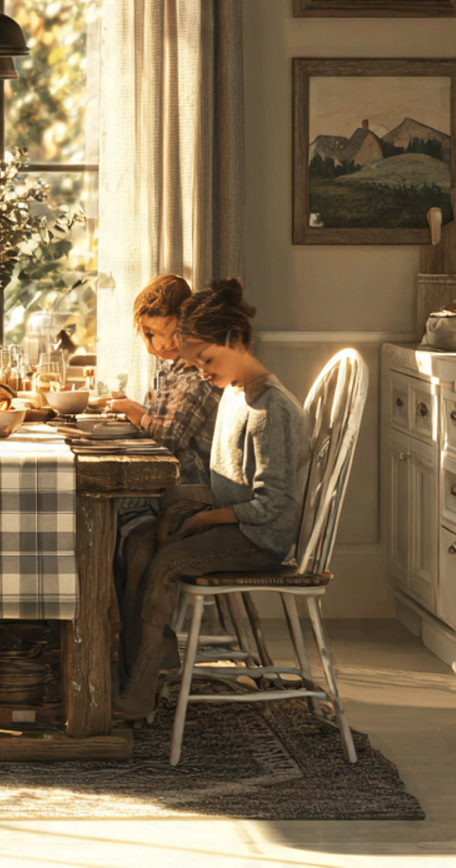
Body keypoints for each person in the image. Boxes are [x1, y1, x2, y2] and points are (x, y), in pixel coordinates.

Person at [112, 277, 310, 719]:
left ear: (235, 340)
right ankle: (139, 674)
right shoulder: (235, 391)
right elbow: (228, 480)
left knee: (165, 562)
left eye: (205, 359)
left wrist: (205, 519)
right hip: (233, 518)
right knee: (138, 545)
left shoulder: (270, 409)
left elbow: (272, 507)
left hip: (259, 537)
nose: (201, 372)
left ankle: (137, 693)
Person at [107, 275, 223, 678]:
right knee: (112, 524)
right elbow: (158, 422)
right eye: (154, 335)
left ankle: (141, 655)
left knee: (116, 527)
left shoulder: (197, 373)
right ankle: (127, 649)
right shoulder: (173, 371)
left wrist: (130, 410)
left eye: (174, 333)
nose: (165, 344)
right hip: (176, 488)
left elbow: (167, 435)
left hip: (197, 495)